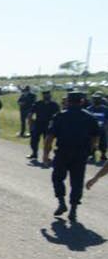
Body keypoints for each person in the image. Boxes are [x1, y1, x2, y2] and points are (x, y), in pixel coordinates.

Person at [42, 90, 100, 223]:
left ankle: (62, 202)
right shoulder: (90, 117)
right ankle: (73, 210)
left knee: (57, 178)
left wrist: (46, 154)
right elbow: (96, 136)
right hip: (80, 154)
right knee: (77, 182)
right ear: (82, 101)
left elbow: (49, 137)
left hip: (63, 152)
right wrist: (91, 150)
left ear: (68, 101)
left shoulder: (60, 116)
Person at [28, 90, 59, 160]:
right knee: (34, 140)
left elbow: (58, 115)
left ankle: (46, 156)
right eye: (45, 95)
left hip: (49, 125)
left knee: (47, 142)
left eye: (47, 95)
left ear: (50, 95)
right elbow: (31, 113)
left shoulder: (54, 104)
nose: (46, 96)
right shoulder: (38, 103)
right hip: (38, 124)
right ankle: (34, 154)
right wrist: (31, 123)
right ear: (43, 96)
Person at [86, 94, 108, 162]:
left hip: (102, 128)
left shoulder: (105, 109)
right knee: (91, 142)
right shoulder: (89, 109)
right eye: (95, 99)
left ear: (101, 100)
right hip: (92, 129)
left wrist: (106, 127)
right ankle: (92, 155)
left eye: (98, 99)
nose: (96, 100)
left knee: (103, 142)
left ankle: (103, 155)